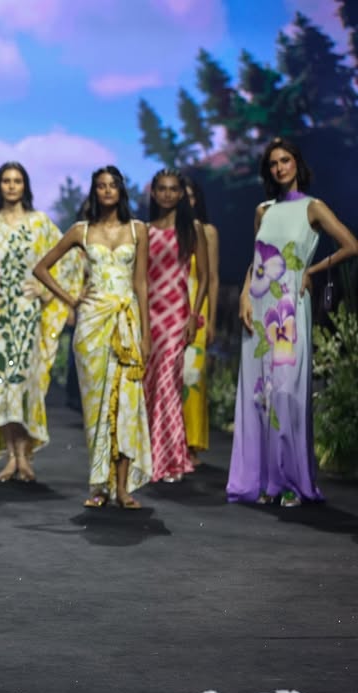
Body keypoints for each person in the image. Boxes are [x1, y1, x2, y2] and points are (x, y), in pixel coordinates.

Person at [228, 138, 358, 506]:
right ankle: (263, 482)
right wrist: (244, 295)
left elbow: (352, 245)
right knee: (259, 394)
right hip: (258, 306)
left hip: (287, 308)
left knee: (285, 391)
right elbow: (256, 259)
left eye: (285, 161)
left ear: (297, 164)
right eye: (273, 163)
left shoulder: (313, 208)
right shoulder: (263, 210)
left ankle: (289, 481)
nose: (279, 168)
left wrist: (311, 271)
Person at [33, 166, 152, 509]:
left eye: (113, 185)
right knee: (97, 407)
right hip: (91, 326)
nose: (107, 190)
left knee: (127, 402)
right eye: (101, 186)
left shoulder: (138, 229)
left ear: (121, 190)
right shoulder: (81, 230)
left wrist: (145, 333)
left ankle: (123, 487)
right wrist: (71, 300)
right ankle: (99, 485)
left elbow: (141, 283)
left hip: (126, 322)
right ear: (94, 191)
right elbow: (41, 268)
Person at [0, 162, 67, 482]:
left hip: (27, 314)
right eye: (6, 180)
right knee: (3, 386)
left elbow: (69, 258)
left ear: (25, 186)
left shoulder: (40, 223)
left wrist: (46, 291)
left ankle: (24, 455)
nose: (11, 186)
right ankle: (12, 456)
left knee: (25, 384)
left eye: (17, 180)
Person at [144, 169, 208, 483]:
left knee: (169, 384)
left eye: (173, 189)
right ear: (154, 193)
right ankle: (150, 456)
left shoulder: (192, 229)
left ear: (181, 194)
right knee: (149, 385)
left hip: (176, 317)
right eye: (162, 189)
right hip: (149, 316)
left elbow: (205, 276)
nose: (168, 194)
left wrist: (194, 315)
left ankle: (171, 460)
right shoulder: (144, 230)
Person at [181, 177, 218, 464]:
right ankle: (169, 443)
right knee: (167, 379)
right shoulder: (168, 231)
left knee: (192, 378)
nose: (187, 201)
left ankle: (191, 445)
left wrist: (212, 318)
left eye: (191, 195)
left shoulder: (208, 232)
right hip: (170, 310)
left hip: (198, 310)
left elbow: (213, 278)